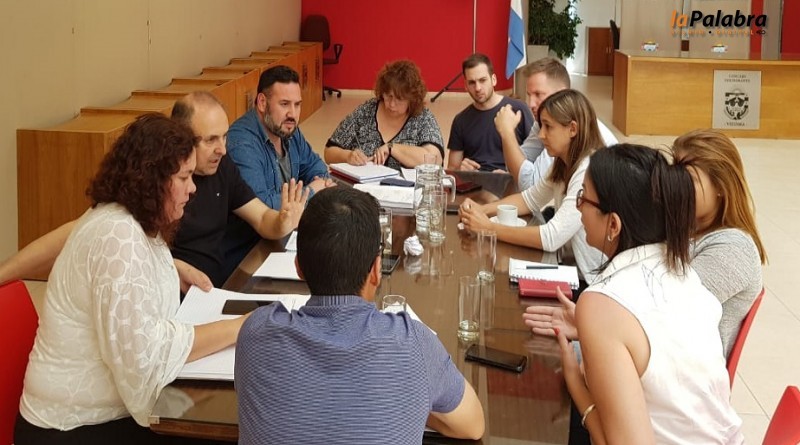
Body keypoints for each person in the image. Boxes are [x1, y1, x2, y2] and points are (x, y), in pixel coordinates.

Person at [14, 114, 247, 444]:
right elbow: (143, 359)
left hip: (97, 415)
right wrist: (236, 328)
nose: (193, 188)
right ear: (152, 180)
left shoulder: (127, 220)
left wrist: (169, 268)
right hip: (70, 427)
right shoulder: (117, 234)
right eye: (184, 177)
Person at [235, 187, 485, 445]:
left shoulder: (255, 332)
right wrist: (410, 402)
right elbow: (473, 425)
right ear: (376, 270)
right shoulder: (415, 344)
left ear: (298, 267)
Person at [523, 130, 766, 359]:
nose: (674, 184)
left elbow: (666, 311)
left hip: (671, 367)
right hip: (643, 347)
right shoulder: (684, 229)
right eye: (673, 170)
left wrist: (590, 324)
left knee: (546, 359)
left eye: (688, 178)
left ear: (721, 187)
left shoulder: (735, 248)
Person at [559, 143, 743, 444]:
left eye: (583, 197)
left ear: (613, 224)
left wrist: (577, 385)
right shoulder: (682, 271)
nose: (578, 207)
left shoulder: (602, 302)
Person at [459, 89, 605, 284]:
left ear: (572, 129)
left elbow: (551, 237)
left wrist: (489, 227)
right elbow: (529, 199)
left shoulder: (587, 170)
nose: (541, 135)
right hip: (570, 268)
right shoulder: (563, 162)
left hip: (589, 281)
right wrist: (482, 210)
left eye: (548, 127)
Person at [170, 91, 308, 288]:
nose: (222, 149)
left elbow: (261, 217)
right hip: (179, 292)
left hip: (218, 287)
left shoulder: (221, 165)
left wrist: (282, 222)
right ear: (181, 139)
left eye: (224, 137)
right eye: (211, 140)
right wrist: (172, 268)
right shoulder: (162, 182)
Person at [495, 57, 618, 190]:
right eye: (529, 95)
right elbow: (521, 160)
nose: (530, 104)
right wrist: (514, 171)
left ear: (562, 94)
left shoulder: (565, 127)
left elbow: (530, 185)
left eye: (538, 94)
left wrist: (507, 133)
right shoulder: (544, 120)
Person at [227, 65, 334, 209]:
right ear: (262, 102)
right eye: (284, 104)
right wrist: (311, 191)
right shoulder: (242, 142)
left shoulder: (287, 129)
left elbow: (316, 166)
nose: (292, 114)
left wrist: (322, 183)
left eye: (297, 105)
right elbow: (261, 207)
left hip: (291, 220)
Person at [324, 60, 444, 169]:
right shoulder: (366, 111)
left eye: (400, 99)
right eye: (388, 96)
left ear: (412, 99)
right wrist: (347, 156)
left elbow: (435, 159)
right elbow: (329, 152)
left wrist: (392, 148)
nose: (392, 104)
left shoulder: (423, 117)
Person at [446, 53, 533, 172]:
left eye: (482, 80)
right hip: (474, 181)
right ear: (465, 85)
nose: (478, 88)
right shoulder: (460, 120)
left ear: (493, 80)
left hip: (512, 179)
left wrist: (511, 174)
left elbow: (537, 158)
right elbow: (452, 169)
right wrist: (461, 170)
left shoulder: (518, 109)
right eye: (472, 83)